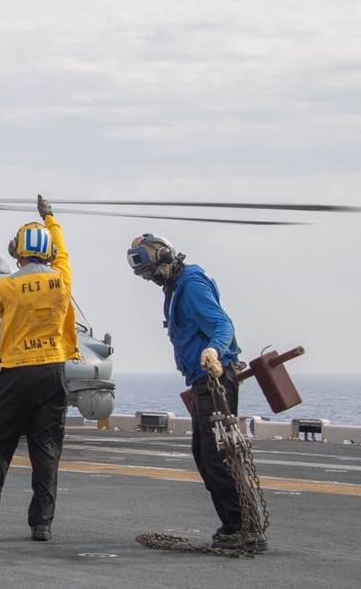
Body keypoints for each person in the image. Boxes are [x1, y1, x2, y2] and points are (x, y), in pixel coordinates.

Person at [126, 233, 267, 552]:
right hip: (204, 380)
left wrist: (215, 352)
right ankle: (238, 524)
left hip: (214, 377)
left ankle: (244, 528)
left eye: (150, 270)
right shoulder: (177, 286)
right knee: (206, 455)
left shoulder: (190, 286)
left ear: (163, 257)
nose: (150, 278)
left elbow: (222, 325)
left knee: (218, 456)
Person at [0, 195, 78, 542]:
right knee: (47, 447)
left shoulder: (7, 285)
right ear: (49, 252)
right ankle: (42, 523)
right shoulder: (63, 279)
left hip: (16, 372)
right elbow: (64, 252)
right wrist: (50, 217)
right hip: (53, 371)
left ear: (18, 252)